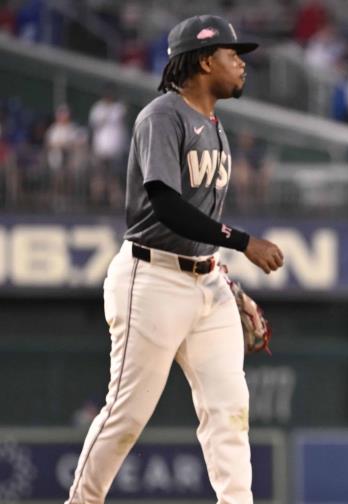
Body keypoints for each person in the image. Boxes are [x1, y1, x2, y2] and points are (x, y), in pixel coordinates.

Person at [66, 15, 284, 503]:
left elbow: (197, 216)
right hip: (152, 276)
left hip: (205, 283)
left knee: (229, 409)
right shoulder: (162, 115)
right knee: (127, 413)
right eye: (232, 55)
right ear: (206, 61)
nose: (240, 65)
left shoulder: (214, 124)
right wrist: (241, 241)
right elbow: (164, 204)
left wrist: (220, 269)